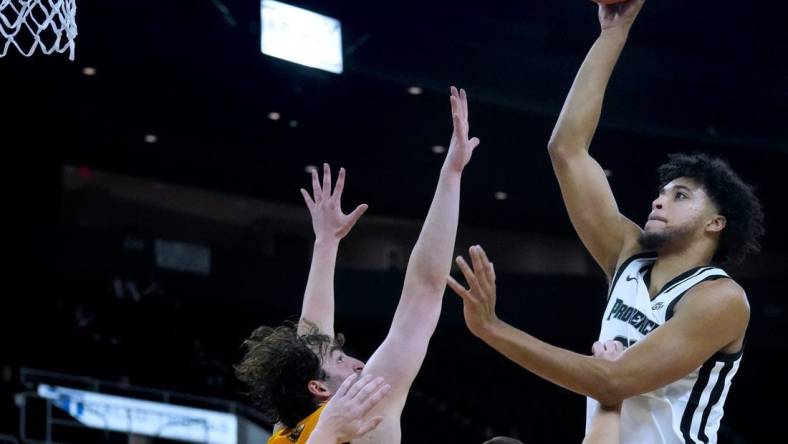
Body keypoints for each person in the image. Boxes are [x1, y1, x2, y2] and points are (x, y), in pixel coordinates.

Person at [447, 2, 764, 442]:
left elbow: (612, 382)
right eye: (661, 190)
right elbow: (567, 150)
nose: (658, 201)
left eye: (680, 195)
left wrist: (493, 329)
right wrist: (613, 33)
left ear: (716, 223)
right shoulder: (628, 255)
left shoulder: (721, 299)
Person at [236, 86, 481, 443]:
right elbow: (423, 294)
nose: (358, 364)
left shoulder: (291, 428)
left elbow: (312, 335)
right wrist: (452, 175)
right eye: (340, 360)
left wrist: (326, 244)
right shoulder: (356, 411)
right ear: (318, 388)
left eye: (344, 356)